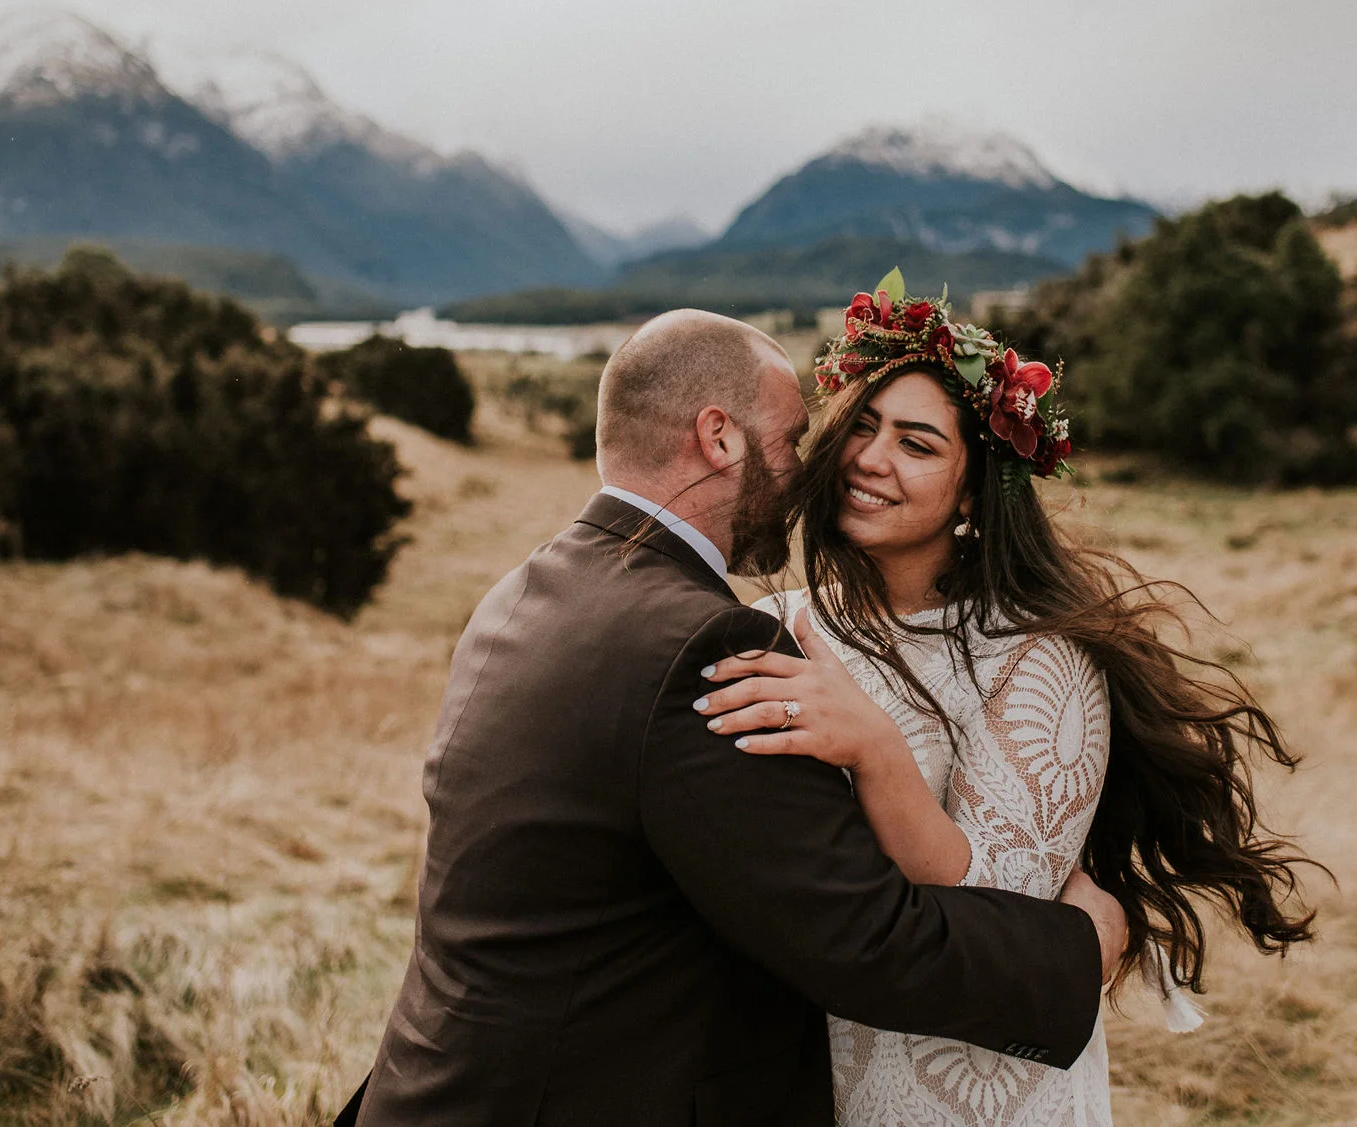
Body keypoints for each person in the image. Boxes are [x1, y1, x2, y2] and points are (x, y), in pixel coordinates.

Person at [337, 308, 1130, 1127]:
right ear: (720, 439)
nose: (825, 465)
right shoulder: (708, 642)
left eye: (916, 443)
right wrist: (1084, 948)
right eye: (799, 439)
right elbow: (866, 938)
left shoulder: (526, 593)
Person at [692, 278, 1321, 1125]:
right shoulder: (771, 628)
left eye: (918, 444)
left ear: (972, 494)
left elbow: (1003, 923)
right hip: (806, 1081)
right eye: (865, 427)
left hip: (983, 1091)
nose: (872, 459)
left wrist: (875, 749)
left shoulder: (1039, 656)